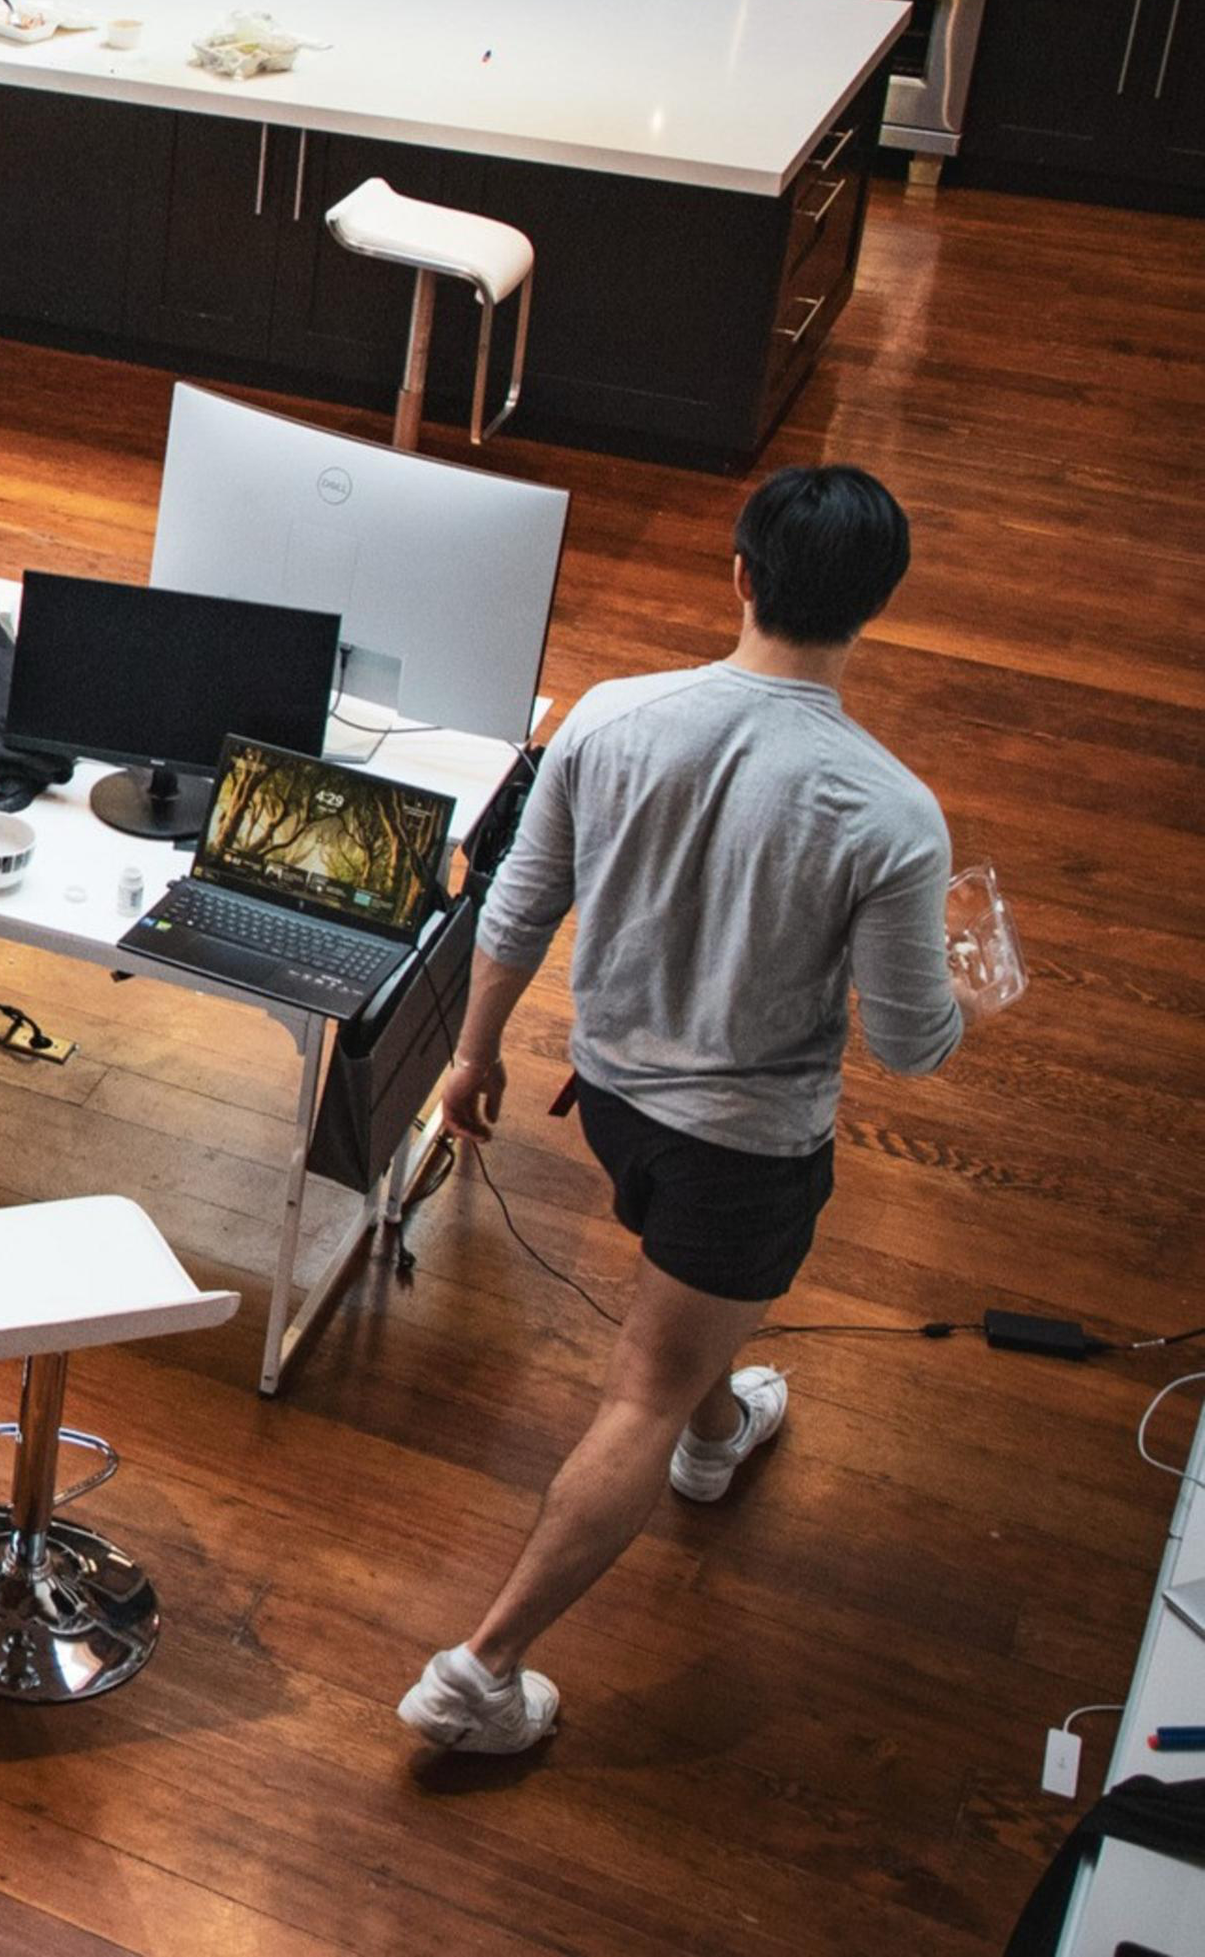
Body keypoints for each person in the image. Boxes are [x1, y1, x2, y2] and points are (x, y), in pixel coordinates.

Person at [399, 463, 983, 1759]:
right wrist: (960, 998)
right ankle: (479, 1672)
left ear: (736, 574)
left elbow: (513, 904)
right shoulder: (888, 813)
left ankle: (721, 1435)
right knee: (644, 1388)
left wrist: (470, 1056)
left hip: (608, 1102)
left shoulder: (609, 717)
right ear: (873, 608)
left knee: (684, 1313)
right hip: (743, 1151)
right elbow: (906, 1041)